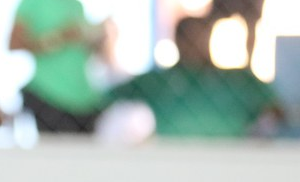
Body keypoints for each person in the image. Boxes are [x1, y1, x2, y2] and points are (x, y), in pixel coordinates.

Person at [105, 15, 283, 137]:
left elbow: (275, 109)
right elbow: (107, 97)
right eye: (187, 36)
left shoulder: (237, 79)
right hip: (170, 157)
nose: (193, 42)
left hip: (231, 157)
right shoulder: (157, 81)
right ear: (177, 39)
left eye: (198, 35)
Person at [9, 0, 110, 133]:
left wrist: (98, 38)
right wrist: (59, 37)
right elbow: (14, 43)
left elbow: (90, 53)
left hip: (83, 99)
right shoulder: (32, 0)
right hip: (48, 95)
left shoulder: (76, 5)